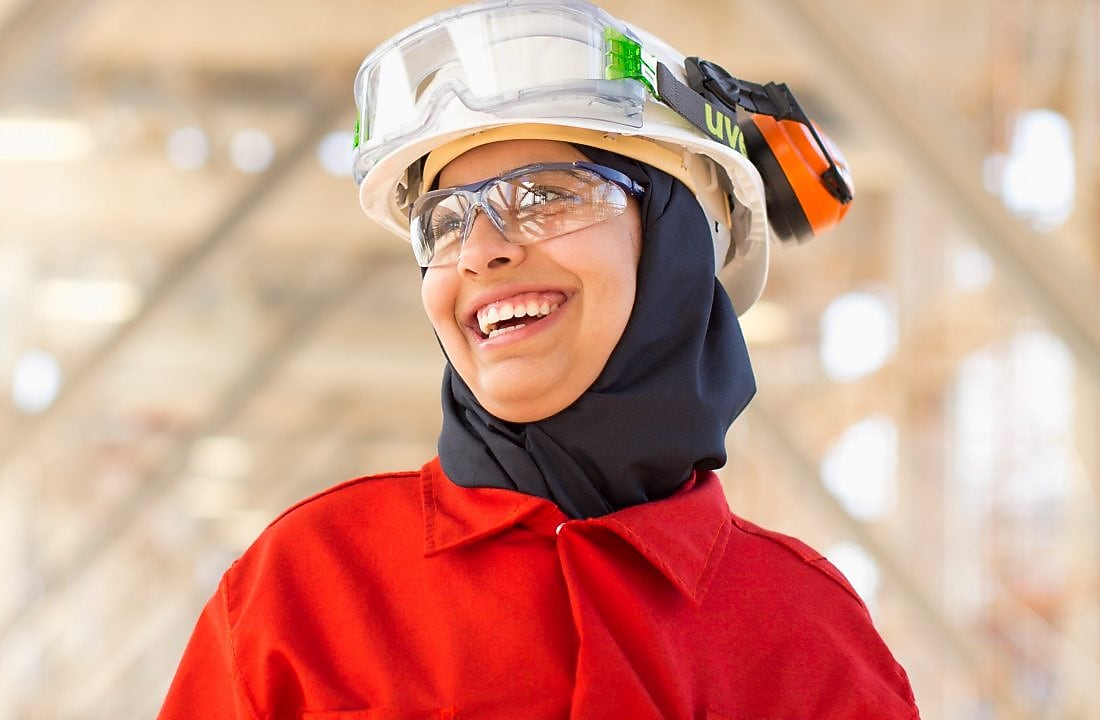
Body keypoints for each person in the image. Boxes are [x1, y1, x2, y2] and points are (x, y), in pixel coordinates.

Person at [158, 1, 920, 717]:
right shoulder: (306, 589)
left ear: (677, 242)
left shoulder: (809, 636)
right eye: (445, 222)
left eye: (547, 195)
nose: (480, 251)